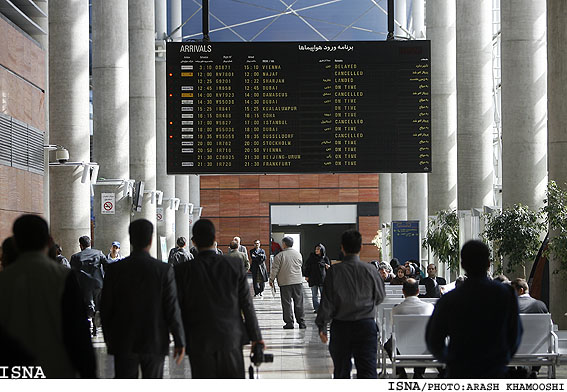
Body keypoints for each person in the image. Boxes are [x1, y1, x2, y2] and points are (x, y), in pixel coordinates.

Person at [0, 214, 95, 378]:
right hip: (57, 370)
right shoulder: (63, 277)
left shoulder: (5, 280)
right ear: (49, 241)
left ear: (16, 243)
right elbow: (78, 332)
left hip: (15, 372)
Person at [174, 219, 263, 378]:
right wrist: (256, 338)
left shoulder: (183, 271)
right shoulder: (234, 265)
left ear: (193, 242)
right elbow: (246, 304)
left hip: (199, 341)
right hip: (230, 338)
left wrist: (179, 340)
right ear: (215, 239)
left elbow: (177, 308)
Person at [100, 219, 185, 378]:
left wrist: (109, 338)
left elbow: (105, 307)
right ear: (151, 240)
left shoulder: (114, 270)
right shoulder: (163, 270)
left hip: (123, 340)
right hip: (154, 339)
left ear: (131, 239)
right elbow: (172, 307)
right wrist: (179, 339)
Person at [425, 240, 522, 378]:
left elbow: (433, 339)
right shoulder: (506, 294)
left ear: (463, 265)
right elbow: (515, 333)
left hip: (460, 370)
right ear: (488, 264)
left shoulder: (449, 299)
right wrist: (502, 358)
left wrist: (450, 360)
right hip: (495, 369)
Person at [315, 230, 385, 379]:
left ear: (342, 248)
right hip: (366, 326)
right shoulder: (371, 270)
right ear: (360, 248)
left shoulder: (334, 271)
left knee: (341, 370)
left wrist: (322, 326)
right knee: (367, 370)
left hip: (341, 327)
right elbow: (380, 297)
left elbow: (326, 301)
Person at [384, 278, 434, 379]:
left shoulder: (396, 310)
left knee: (388, 344)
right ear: (418, 291)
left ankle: (401, 372)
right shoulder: (429, 307)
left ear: (403, 291)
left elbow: (391, 329)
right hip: (424, 349)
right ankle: (418, 373)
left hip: (402, 349)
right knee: (425, 339)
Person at [70, 235, 107, 337]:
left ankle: (90, 325)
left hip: (84, 285)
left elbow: (72, 273)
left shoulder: (75, 257)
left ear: (80, 245)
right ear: (90, 243)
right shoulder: (99, 253)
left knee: (89, 305)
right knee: (97, 304)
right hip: (98, 283)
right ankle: (96, 326)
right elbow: (107, 265)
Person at [269, 236, 306, 329]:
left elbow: (274, 269)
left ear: (284, 244)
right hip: (297, 281)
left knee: (287, 303)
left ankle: (289, 322)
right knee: (299, 302)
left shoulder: (280, 256)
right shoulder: (298, 254)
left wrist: (271, 280)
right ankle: (301, 322)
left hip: (285, 283)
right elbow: (300, 265)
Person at [303, 243, 331, 313]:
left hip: (322, 279)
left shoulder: (325, 258)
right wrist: (306, 276)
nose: (316, 250)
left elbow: (329, 269)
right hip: (313, 278)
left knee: (323, 295)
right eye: (316, 249)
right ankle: (317, 308)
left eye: (318, 249)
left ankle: (323, 308)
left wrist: (328, 267)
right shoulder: (311, 258)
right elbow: (307, 267)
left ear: (322, 250)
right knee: (314, 295)